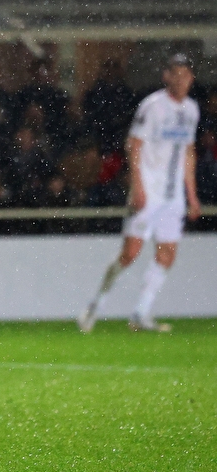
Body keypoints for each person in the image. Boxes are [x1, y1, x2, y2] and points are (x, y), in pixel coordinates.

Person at [78, 54, 201, 333]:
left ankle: (141, 314)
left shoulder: (191, 110)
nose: (181, 79)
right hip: (149, 192)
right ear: (166, 76)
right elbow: (133, 145)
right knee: (130, 253)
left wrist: (191, 195)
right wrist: (138, 187)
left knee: (168, 252)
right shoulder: (154, 106)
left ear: (191, 78)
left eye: (186, 74)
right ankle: (96, 303)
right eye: (176, 73)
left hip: (173, 195)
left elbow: (188, 153)